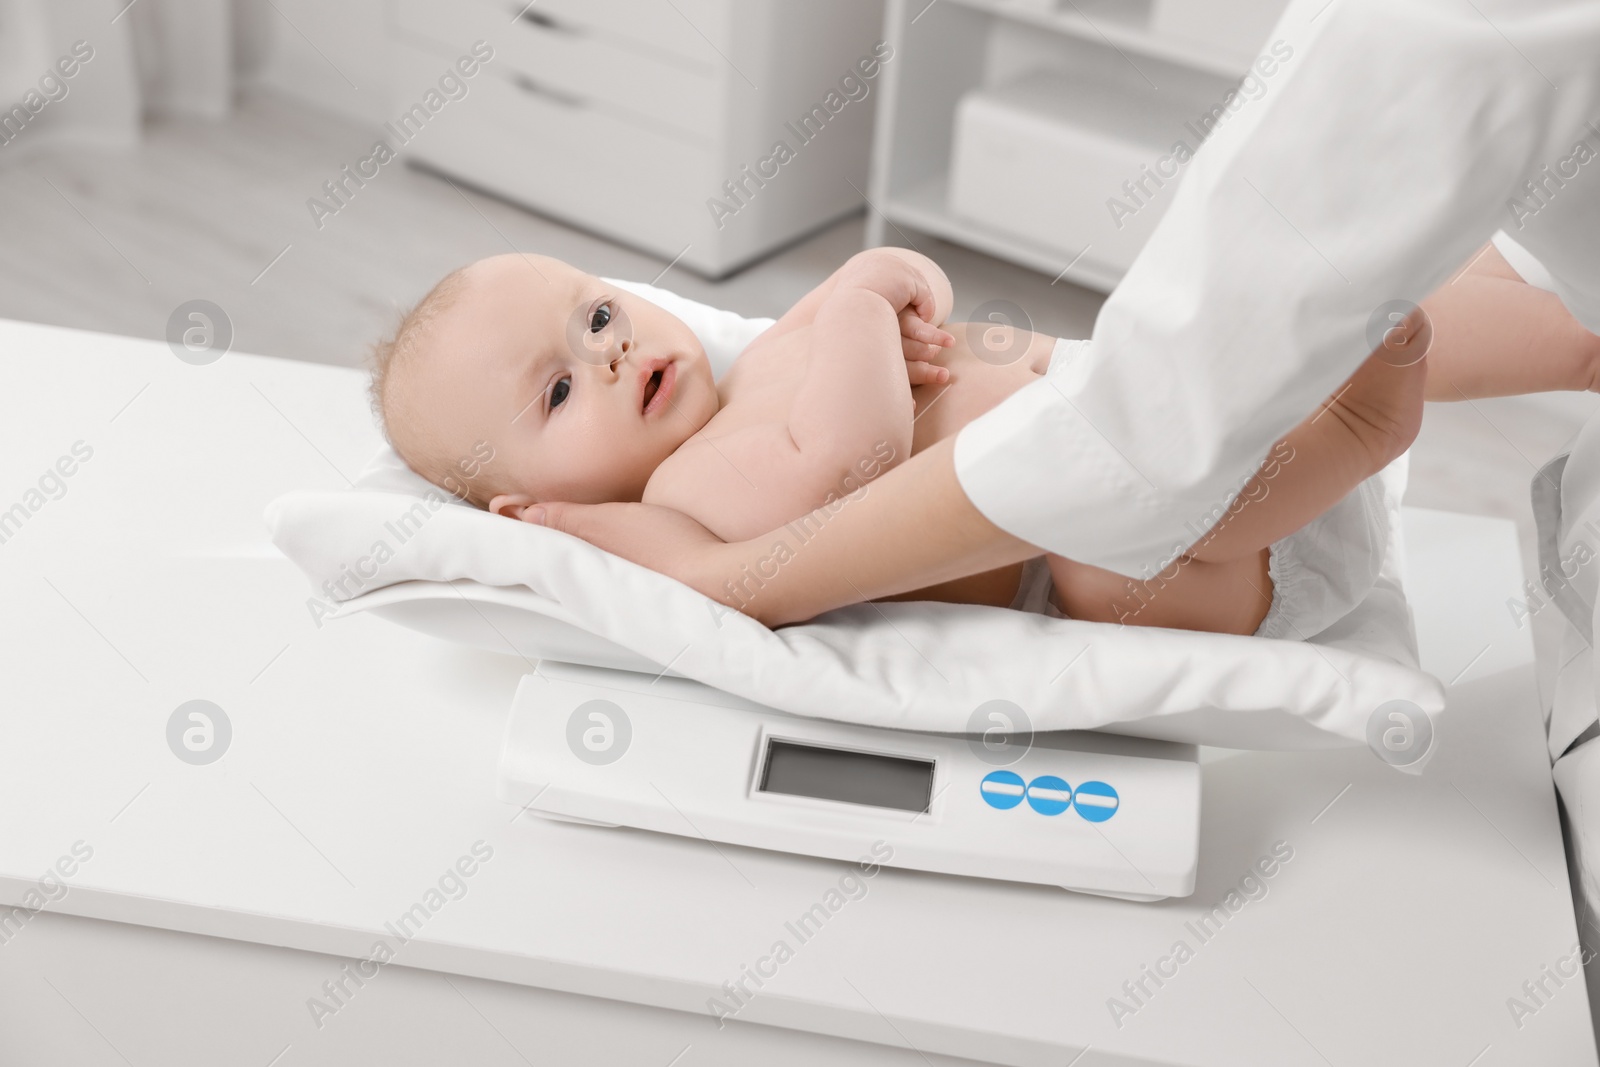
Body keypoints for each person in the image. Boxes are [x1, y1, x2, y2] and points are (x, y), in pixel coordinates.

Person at [513, 0, 1600, 628]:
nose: (605, 354)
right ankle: (1366, 427)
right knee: (1111, 554)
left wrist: (888, 280)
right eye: (557, 388)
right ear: (521, 492)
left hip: (1172, 442)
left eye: (596, 313)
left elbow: (913, 288)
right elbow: (846, 463)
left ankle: (1577, 343)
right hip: (1202, 550)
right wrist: (852, 313)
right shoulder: (684, 487)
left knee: (1312, 299)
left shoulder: (754, 360)